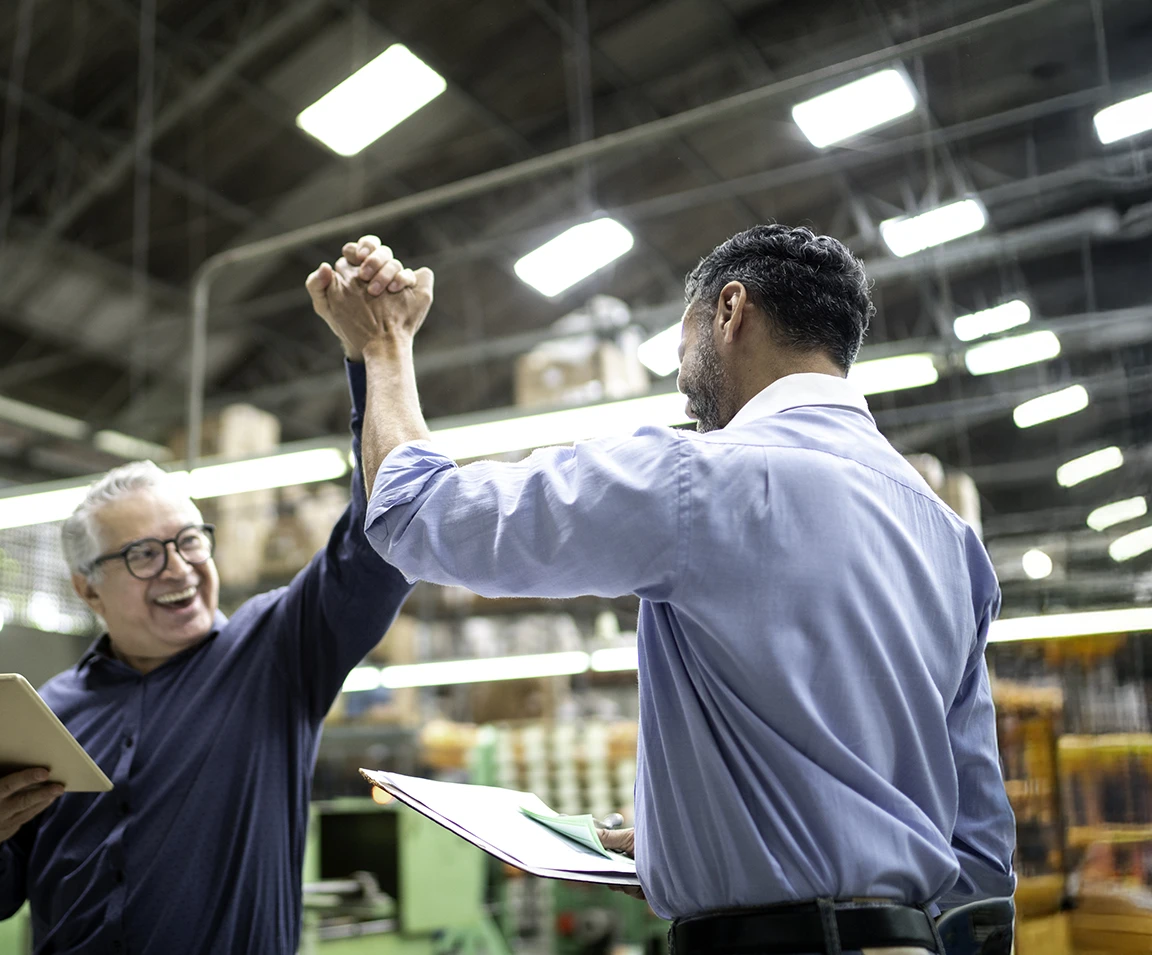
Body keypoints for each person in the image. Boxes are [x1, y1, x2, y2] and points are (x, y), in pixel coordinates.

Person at [307, 227, 1016, 955]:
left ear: (730, 311)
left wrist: (383, 345)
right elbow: (982, 854)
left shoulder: (696, 480)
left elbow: (416, 515)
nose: (682, 379)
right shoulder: (951, 540)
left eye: (681, 345)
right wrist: (700, 847)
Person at [0, 244, 417, 953]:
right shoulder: (48, 717)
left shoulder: (277, 655)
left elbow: (383, 539)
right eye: (143, 553)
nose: (180, 568)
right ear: (86, 588)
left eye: (191, 540)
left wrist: (376, 353)